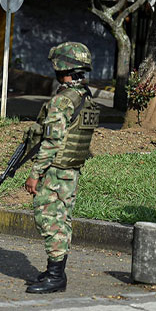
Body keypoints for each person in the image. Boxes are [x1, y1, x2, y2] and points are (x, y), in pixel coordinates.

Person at [23, 42, 99, 294]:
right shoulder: (85, 96)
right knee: (62, 220)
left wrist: (35, 174)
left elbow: (52, 140)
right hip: (71, 169)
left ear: (61, 66)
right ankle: (55, 271)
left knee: (50, 220)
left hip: (55, 170)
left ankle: (56, 277)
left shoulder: (63, 100)